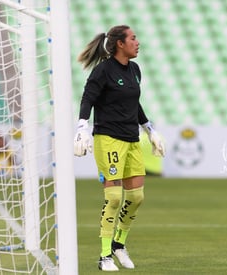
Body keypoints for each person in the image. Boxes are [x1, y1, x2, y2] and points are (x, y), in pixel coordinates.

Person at [73, 25, 165, 271]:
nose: (138, 42)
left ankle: (118, 244)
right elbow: (88, 98)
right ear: (120, 44)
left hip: (131, 139)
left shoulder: (135, 70)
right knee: (114, 197)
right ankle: (104, 257)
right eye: (133, 38)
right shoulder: (103, 71)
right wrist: (82, 127)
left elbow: (134, 103)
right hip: (108, 139)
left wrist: (149, 129)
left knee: (136, 197)